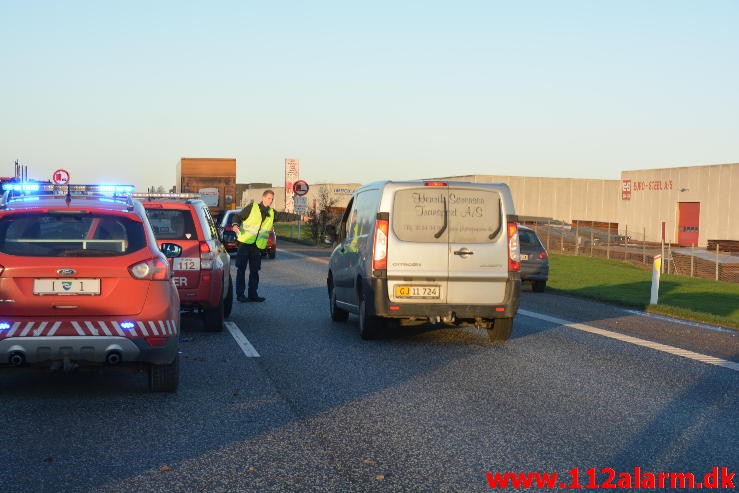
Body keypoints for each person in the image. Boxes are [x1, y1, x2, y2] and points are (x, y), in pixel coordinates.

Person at [231, 190, 275, 302]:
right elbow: (237, 216)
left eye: (272, 199)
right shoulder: (252, 207)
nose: (270, 201)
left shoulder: (271, 213)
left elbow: (286, 216)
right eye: (269, 198)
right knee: (241, 269)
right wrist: (235, 225)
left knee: (255, 271)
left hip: (256, 246)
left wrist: (302, 218)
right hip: (244, 243)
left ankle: (253, 294)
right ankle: (240, 295)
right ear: (263, 198)